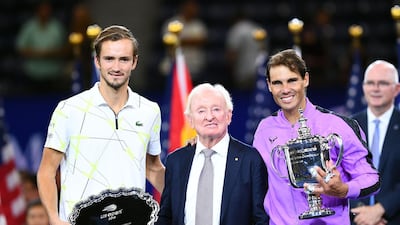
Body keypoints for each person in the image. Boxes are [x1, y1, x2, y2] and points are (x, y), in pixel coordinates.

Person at [36, 25, 165, 225]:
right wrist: (53, 217)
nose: (116, 67)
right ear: (97, 61)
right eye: (109, 59)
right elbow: (47, 170)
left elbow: (153, 167)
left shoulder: (149, 110)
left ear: (134, 62)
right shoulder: (69, 109)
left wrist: (184, 199)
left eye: (124, 59)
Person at [253, 49, 380, 225]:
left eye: (292, 80)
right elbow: (257, 187)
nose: (285, 89)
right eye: (277, 83)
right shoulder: (264, 130)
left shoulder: (338, 125)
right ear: (269, 85)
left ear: (306, 79)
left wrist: (343, 190)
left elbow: (372, 178)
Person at [156, 83, 269, 225]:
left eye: (216, 109)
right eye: (201, 111)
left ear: (228, 116)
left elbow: (261, 218)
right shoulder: (176, 161)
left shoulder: (250, 159)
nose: (209, 117)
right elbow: (166, 216)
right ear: (190, 120)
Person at [350, 60, 400, 225]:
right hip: (357, 218)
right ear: (363, 87)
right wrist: (362, 214)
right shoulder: (349, 126)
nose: (375, 88)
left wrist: (381, 209)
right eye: (370, 83)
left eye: (383, 83)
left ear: (396, 89)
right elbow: (342, 177)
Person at [16, 1, 69, 94]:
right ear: (37, 11)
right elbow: (21, 49)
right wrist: (39, 54)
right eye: (42, 10)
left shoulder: (57, 27)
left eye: (47, 10)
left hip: (54, 76)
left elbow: (66, 49)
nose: (45, 12)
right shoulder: (29, 27)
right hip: (32, 76)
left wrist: (51, 54)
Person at [160, 0, 208, 84]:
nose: (193, 9)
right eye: (190, 6)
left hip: (194, 68)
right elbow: (168, 41)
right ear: (183, 7)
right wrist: (192, 41)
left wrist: (180, 40)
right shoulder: (172, 23)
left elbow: (202, 40)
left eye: (194, 7)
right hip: (173, 67)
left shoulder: (199, 25)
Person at [225, 9, 263, 90]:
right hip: (259, 71)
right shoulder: (258, 28)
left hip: (242, 73)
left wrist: (230, 72)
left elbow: (232, 54)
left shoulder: (236, 29)